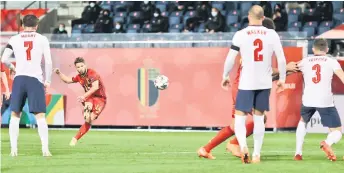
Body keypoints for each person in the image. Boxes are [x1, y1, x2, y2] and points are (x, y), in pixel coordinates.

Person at [198, 18, 298, 160]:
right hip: (242, 88)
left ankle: (209, 148)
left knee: (243, 122)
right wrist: (286, 69)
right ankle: (229, 144)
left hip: (245, 86)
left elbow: (264, 76)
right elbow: (266, 72)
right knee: (257, 119)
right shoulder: (253, 50)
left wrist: (286, 72)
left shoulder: (254, 49)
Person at [221, 6, 287, 164]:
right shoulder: (272, 34)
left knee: (240, 118)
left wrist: (225, 75)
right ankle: (257, 154)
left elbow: (231, 58)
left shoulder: (241, 34)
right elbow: (281, 58)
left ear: (249, 17)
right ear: (263, 18)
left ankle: (243, 146)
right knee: (259, 119)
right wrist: (282, 79)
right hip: (264, 83)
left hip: (246, 82)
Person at [1, 15, 53, 157]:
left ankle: (13, 150)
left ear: (23, 25)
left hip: (20, 78)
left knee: (15, 114)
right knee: (40, 115)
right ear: (37, 26)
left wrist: (12, 66)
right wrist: (48, 80)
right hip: (35, 79)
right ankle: (45, 149)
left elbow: (3, 59)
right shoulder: (42, 39)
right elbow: (48, 62)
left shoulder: (14, 39)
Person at [294, 39, 343, 162]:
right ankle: (327, 142)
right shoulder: (332, 62)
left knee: (302, 121)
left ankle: (298, 153)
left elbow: (290, 68)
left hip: (308, 99)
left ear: (313, 49)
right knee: (337, 131)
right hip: (325, 100)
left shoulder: (305, 61)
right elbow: (342, 77)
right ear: (327, 49)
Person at [54, 57, 106, 146]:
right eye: (78, 67)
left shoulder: (92, 73)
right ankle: (87, 110)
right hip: (89, 97)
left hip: (100, 99)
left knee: (89, 120)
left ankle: (88, 112)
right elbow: (67, 80)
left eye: (82, 66)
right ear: (76, 68)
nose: (80, 68)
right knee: (87, 114)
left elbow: (95, 87)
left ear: (85, 65)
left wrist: (83, 96)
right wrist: (59, 73)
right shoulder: (79, 77)